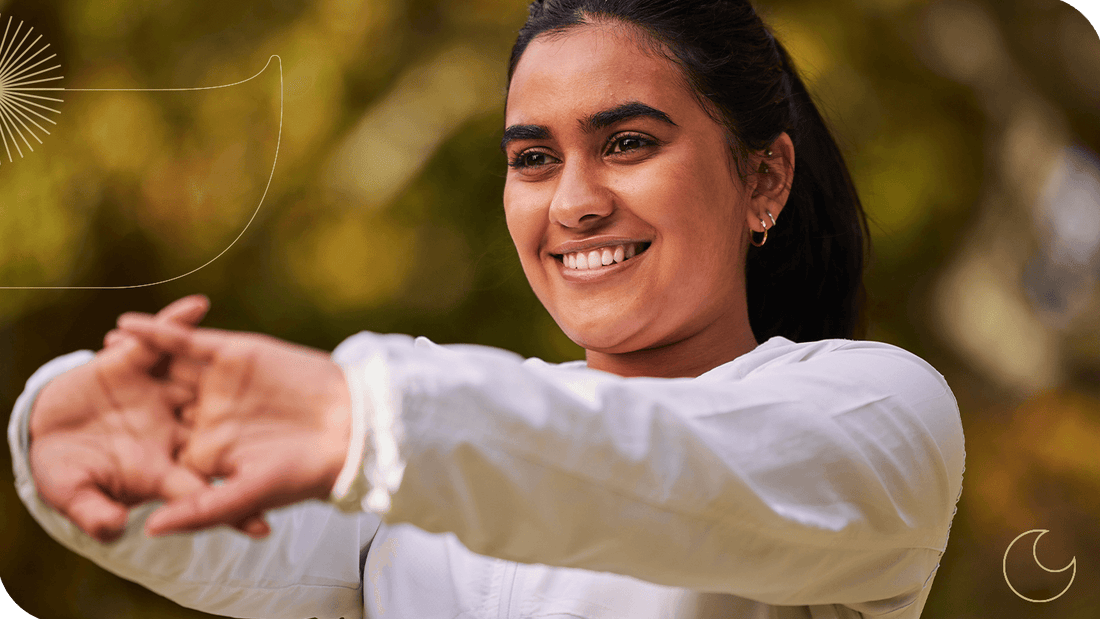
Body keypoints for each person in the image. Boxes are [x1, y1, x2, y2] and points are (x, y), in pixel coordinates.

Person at [9, 0, 965, 618]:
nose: (572, 201)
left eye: (628, 141)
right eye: (533, 158)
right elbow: (236, 522)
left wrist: (367, 418)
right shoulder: (426, 442)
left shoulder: (876, 412)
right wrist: (66, 425)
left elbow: (661, 469)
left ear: (763, 176)